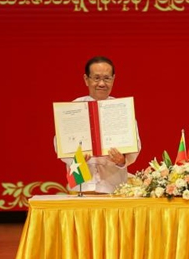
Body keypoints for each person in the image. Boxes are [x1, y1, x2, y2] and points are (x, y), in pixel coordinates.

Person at [55, 56, 140, 194]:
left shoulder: (122, 109)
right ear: (86, 79)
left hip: (114, 188)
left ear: (113, 79)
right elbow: (59, 144)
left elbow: (135, 145)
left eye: (107, 78)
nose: (101, 83)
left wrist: (122, 160)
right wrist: (76, 157)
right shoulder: (73, 108)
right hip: (82, 186)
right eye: (96, 78)